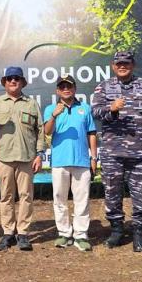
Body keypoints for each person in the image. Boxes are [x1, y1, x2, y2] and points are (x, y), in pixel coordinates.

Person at [91, 51, 142, 252]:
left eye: (126, 63)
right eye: (119, 63)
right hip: (113, 151)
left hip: (140, 151)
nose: (122, 66)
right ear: (113, 65)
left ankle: (139, 233)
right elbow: (95, 112)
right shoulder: (104, 87)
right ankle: (117, 231)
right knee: (112, 192)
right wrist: (111, 108)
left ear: (133, 65)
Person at [0, 66, 45, 251]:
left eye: (16, 78)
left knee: (26, 197)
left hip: (26, 158)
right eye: (9, 78)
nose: (13, 81)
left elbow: (40, 130)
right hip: (5, 158)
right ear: (4, 82)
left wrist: (40, 154)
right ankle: (8, 233)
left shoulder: (31, 103)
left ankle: (22, 233)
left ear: (22, 82)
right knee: (6, 197)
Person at [43, 75, 97, 252]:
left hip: (82, 161)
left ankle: (81, 235)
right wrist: (53, 115)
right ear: (57, 90)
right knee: (59, 199)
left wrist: (94, 158)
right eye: (62, 86)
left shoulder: (85, 108)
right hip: (59, 161)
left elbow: (92, 134)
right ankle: (64, 233)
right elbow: (47, 131)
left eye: (69, 86)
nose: (66, 89)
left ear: (75, 88)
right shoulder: (51, 108)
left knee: (82, 200)